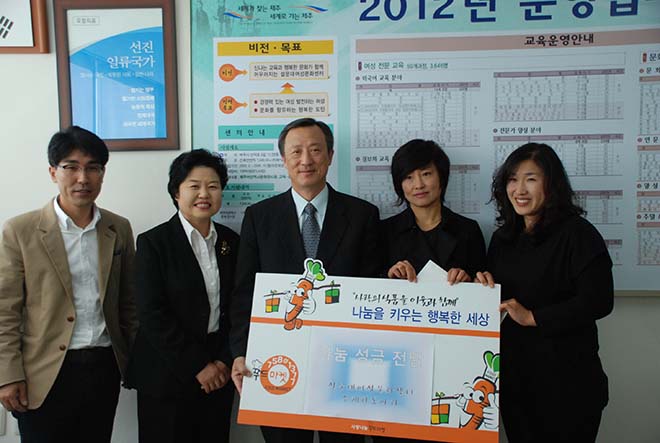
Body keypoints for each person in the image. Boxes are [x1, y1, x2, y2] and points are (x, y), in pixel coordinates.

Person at [229, 118, 381, 443]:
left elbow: (371, 289)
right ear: (283, 159)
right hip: (279, 361)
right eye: (296, 151)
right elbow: (245, 293)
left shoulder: (363, 215)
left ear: (330, 155)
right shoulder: (259, 216)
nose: (306, 160)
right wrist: (241, 351)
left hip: (344, 365)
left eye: (315, 150)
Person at [0, 126, 137, 443]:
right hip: (44, 373)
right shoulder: (21, 231)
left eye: (92, 168)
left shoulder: (118, 228)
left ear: (102, 174)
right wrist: (7, 375)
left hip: (103, 367)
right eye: (71, 167)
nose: (82, 178)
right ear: (53, 172)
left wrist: (135, 363)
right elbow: (5, 311)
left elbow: (129, 303)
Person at [475, 143, 613, 443]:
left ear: (551, 184)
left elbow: (599, 301)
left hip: (568, 381)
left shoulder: (578, 233)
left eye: (531, 179)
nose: (520, 190)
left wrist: (533, 317)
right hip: (517, 380)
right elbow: (501, 298)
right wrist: (482, 287)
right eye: (512, 180)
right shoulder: (503, 238)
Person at [125, 150, 238, 443]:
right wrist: (198, 366)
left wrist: (223, 361)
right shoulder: (154, 242)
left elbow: (238, 306)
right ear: (176, 192)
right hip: (167, 373)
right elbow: (152, 313)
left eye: (213, 186)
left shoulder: (232, 242)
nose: (204, 194)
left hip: (219, 372)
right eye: (194, 186)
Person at [380, 139, 486, 287]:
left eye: (426, 174)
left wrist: (467, 281)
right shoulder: (384, 231)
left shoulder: (468, 230)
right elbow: (370, 285)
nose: (418, 185)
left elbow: (483, 285)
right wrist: (390, 275)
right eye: (409, 177)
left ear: (442, 178)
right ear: (399, 184)